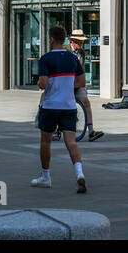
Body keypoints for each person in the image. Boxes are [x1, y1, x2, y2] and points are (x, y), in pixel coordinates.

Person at [31, 25, 87, 193]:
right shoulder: (72, 59)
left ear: (51, 39)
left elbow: (43, 83)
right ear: (64, 40)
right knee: (71, 141)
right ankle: (79, 174)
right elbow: (81, 82)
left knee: (45, 141)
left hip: (50, 106)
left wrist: (41, 83)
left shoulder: (46, 59)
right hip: (68, 106)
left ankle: (46, 176)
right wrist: (67, 88)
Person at [67, 30, 104, 141]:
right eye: (79, 42)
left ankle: (91, 131)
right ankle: (55, 130)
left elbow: (81, 68)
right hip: (66, 82)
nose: (81, 44)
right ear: (72, 41)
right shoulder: (65, 50)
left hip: (77, 82)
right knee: (61, 104)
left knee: (86, 102)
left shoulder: (81, 52)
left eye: (82, 42)